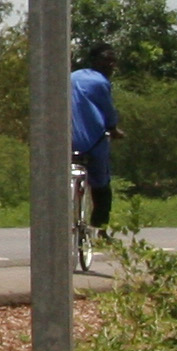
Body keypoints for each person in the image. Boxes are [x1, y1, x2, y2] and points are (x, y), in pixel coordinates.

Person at [70, 45, 117, 231]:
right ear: (96, 61)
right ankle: (100, 229)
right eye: (108, 60)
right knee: (102, 186)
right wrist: (114, 129)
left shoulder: (72, 77)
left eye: (113, 61)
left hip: (66, 142)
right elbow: (109, 113)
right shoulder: (101, 83)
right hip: (93, 143)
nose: (111, 65)